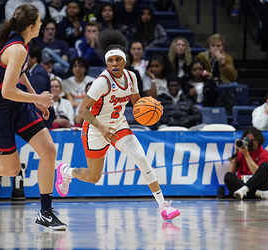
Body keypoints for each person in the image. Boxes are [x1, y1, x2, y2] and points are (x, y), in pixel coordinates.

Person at [55, 30, 180, 221]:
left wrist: (154, 106)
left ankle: (163, 205)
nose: (114, 63)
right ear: (107, 63)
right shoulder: (102, 82)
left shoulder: (131, 78)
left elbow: (138, 106)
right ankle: (67, 172)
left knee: (141, 158)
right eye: (110, 60)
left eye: (117, 60)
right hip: (95, 131)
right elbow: (82, 111)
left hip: (119, 125)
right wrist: (102, 128)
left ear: (125, 61)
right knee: (94, 178)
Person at [0, 4, 67, 229]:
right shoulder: (17, 48)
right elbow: (6, 91)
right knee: (11, 169)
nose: (41, 24)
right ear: (31, 25)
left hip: (17, 108)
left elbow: (20, 73)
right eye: (39, 21)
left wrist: (34, 97)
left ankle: (45, 212)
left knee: (48, 150)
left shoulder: (22, 44)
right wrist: (37, 100)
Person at [224, 127, 268, 200]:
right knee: (228, 176)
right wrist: (236, 151)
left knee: (265, 165)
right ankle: (251, 193)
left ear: (259, 140)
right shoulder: (241, 152)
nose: (250, 143)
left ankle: (246, 190)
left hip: (258, 186)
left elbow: (257, 174)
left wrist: (246, 155)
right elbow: (232, 170)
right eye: (248, 140)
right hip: (244, 186)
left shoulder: (265, 154)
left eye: (253, 140)